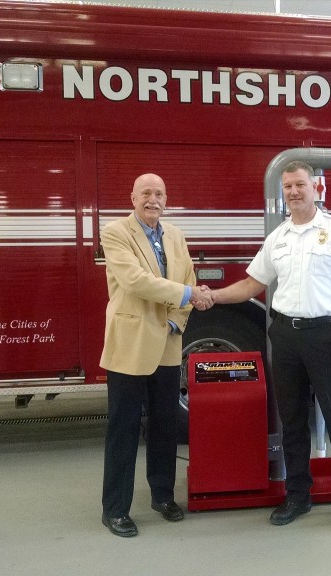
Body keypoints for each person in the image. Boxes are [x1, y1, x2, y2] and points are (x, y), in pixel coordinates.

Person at [205, 161, 331, 534]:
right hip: (285, 336)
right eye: (288, 187)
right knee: (292, 422)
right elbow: (252, 285)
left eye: (300, 185)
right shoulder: (277, 237)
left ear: (315, 187)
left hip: (325, 336)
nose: (294, 192)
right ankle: (298, 496)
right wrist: (213, 296)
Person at [99, 173, 212, 537]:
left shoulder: (175, 235)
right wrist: (189, 295)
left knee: (165, 425)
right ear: (132, 198)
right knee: (124, 428)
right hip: (130, 344)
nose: (153, 199)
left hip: (167, 343)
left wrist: (177, 321)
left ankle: (163, 497)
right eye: (146, 193)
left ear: (166, 199)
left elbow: (189, 277)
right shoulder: (115, 232)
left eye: (159, 193)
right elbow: (135, 280)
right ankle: (115, 509)